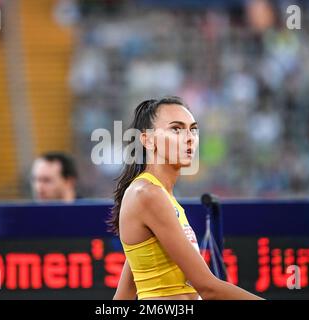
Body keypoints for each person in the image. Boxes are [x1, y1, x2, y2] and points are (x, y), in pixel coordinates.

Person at [109, 97, 262, 300]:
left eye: (193, 129)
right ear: (147, 140)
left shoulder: (159, 196)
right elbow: (208, 288)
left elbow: (124, 297)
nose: (189, 137)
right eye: (176, 129)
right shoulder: (148, 194)